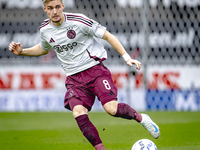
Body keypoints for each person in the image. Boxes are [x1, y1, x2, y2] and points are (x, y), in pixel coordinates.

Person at [9, 0, 160, 149]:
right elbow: (44, 48)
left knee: (111, 109)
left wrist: (127, 57)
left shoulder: (79, 21)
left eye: (57, 7)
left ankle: (141, 118)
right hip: (74, 79)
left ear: (62, 6)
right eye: (50, 8)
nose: (54, 11)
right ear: (45, 9)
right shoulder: (44, 29)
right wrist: (22, 51)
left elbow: (107, 36)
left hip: (95, 71)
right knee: (78, 112)